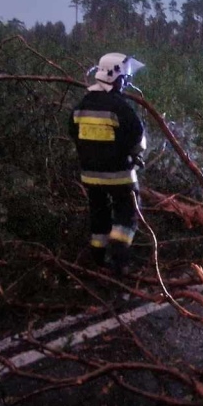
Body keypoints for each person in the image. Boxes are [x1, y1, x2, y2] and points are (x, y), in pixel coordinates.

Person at [70, 52, 147, 276]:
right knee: (127, 213)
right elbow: (137, 139)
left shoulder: (82, 105)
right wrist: (131, 154)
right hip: (119, 175)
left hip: (90, 175)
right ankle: (119, 261)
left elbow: (73, 133)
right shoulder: (120, 107)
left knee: (99, 215)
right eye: (125, 78)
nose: (126, 83)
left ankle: (97, 260)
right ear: (116, 77)